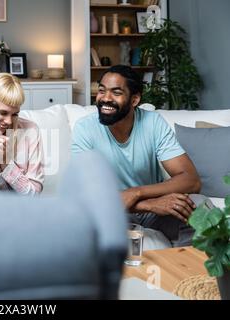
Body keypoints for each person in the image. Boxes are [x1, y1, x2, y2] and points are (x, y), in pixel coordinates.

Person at [71, 65, 202, 247]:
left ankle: (189, 270)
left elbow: (191, 181)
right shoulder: (85, 128)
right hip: (112, 210)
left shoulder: (153, 123)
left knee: (199, 207)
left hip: (155, 210)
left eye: (116, 92)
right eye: (102, 91)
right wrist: (146, 204)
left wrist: (136, 192)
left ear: (134, 100)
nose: (105, 98)